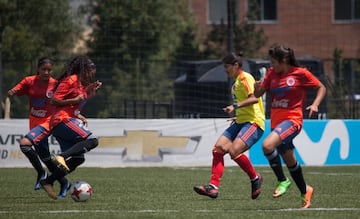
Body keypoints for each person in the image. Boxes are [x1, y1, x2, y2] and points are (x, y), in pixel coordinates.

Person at [254, 44, 326, 208]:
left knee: (267, 145)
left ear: (284, 60)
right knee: (290, 161)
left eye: (274, 62)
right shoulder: (272, 73)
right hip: (276, 123)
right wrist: (256, 87)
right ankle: (305, 190)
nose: (271, 66)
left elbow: (321, 87)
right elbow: (259, 94)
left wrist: (315, 104)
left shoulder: (300, 73)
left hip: (292, 120)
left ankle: (282, 180)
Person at [193, 53, 265, 199]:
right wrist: (237, 114)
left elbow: (254, 99)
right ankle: (213, 187)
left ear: (236, 65)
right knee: (218, 149)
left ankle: (255, 178)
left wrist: (235, 106)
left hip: (253, 122)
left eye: (227, 66)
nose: (225, 70)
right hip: (240, 121)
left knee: (234, 151)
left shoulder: (245, 78)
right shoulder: (236, 82)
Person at [40, 55, 102, 199]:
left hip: (65, 121)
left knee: (78, 159)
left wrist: (89, 91)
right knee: (92, 140)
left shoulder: (80, 84)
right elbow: (54, 101)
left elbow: (76, 104)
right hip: (61, 121)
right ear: (82, 69)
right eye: (90, 71)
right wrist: (75, 100)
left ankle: (48, 182)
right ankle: (61, 156)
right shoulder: (70, 80)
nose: (92, 74)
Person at [7, 57, 70, 197]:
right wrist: (13, 91)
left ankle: (41, 173)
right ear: (38, 69)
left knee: (25, 145)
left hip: (48, 122)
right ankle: (64, 182)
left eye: (49, 70)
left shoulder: (55, 84)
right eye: (44, 69)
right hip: (34, 121)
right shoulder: (29, 81)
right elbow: (17, 89)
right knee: (45, 156)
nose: (47, 72)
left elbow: (65, 98)